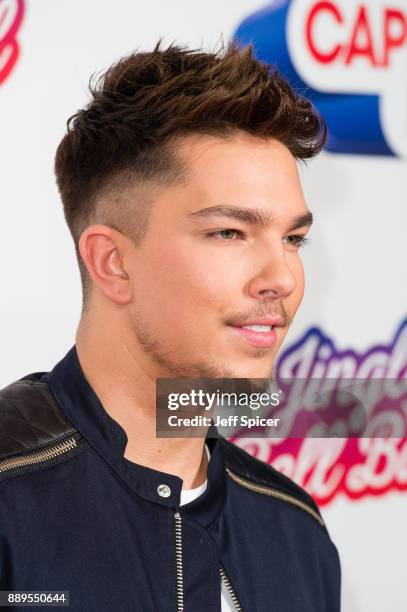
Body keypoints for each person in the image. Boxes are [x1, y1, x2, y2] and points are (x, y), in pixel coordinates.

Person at [0, 40, 341, 611]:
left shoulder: (293, 528)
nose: (281, 277)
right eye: (229, 233)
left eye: (292, 239)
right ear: (113, 262)